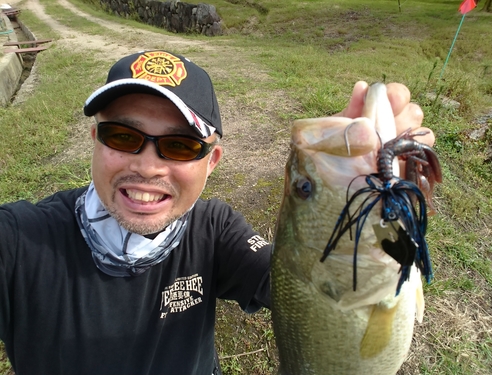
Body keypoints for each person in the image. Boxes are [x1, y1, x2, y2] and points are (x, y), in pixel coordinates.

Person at [0, 50, 434, 375]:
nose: (147, 166)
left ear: (212, 161)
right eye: (121, 136)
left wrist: (352, 200)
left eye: (180, 145)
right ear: (95, 140)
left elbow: (298, 281)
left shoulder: (215, 229)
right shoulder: (19, 241)